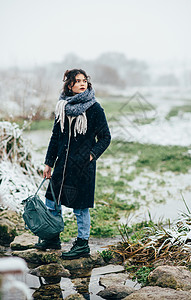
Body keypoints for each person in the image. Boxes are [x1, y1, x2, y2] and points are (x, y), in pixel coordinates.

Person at [35, 68, 111, 259]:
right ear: (69, 84)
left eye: (84, 80)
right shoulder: (62, 107)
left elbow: (105, 137)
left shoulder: (94, 108)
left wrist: (91, 155)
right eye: (77, 81)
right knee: (52, 200)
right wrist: (48, 163)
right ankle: (52, 237)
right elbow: (55, 137)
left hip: (83, 167)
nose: (82, 83)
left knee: (80, 206)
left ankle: (82, 243)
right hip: (62, 164)